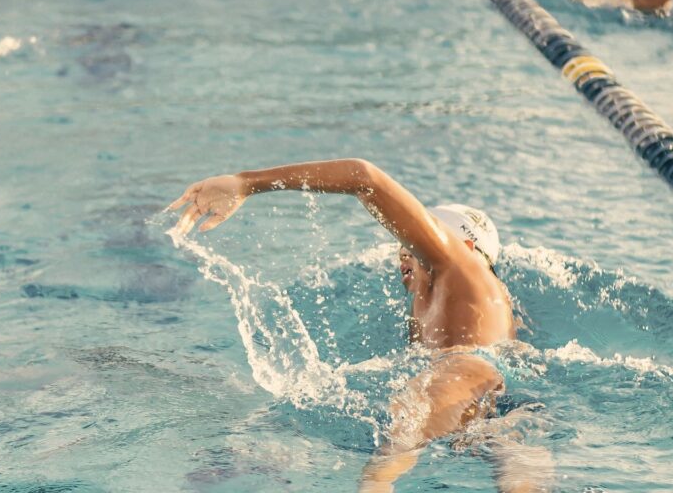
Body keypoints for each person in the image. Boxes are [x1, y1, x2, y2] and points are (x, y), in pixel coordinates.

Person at [168, 159, 550, 492]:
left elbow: (363, 176)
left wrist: (246, 182)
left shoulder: (455, 265)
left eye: (412, 243)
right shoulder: (476, 300)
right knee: (515, 455)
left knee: (385, 464)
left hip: (461, 374)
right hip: (503, 400)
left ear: (460, 244)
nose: (403, 251)